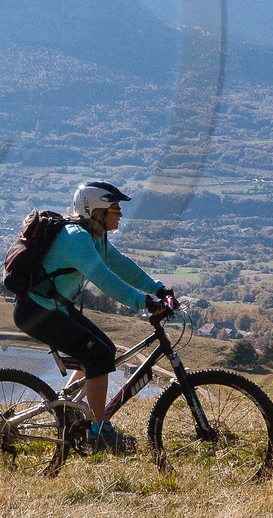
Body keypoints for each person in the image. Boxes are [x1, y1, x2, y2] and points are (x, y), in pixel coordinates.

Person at [12, 180, 173, 453]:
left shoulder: (94, 236)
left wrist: (157, 287)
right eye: (115, 208)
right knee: (97, 355)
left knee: (104, 351)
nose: (120, 214)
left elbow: (121, 265)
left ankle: (69, 407)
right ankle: (99, 431)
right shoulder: (77, 239)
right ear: (96, 211)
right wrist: (143, 302)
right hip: (36, 311)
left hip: (53, 307)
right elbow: (104, 279)